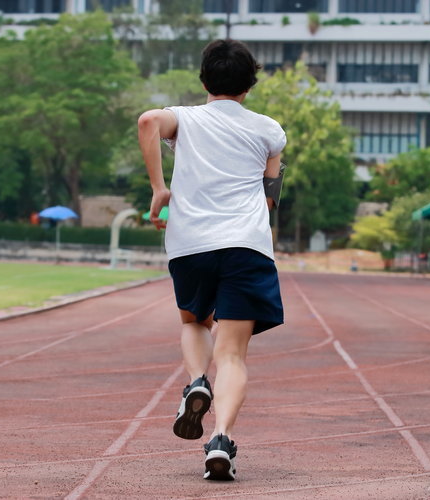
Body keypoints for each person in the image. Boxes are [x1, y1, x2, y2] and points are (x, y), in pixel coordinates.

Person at [137, 39, 286, 481]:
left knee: (194, 322)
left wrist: (159, 189)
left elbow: (147, 121)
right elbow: (272, 194)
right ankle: (220, 439)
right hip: (246, 245)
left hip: (191, 244)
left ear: (204, 81)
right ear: (249, 86)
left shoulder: (183, 119)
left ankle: (197, 380)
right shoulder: (268, 130)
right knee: (234, 354)